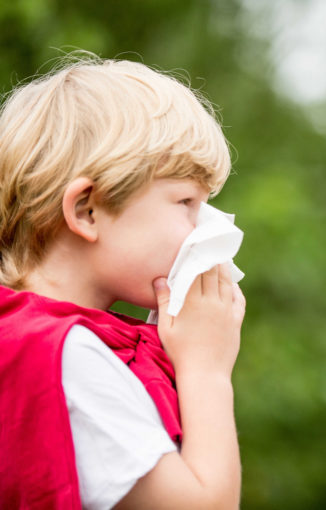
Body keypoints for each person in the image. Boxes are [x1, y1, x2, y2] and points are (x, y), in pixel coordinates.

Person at [0, 55, 245, 509]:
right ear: (87, 210)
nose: (205, 229)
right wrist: (206, 370)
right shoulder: (66, 357)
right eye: (186, 201)